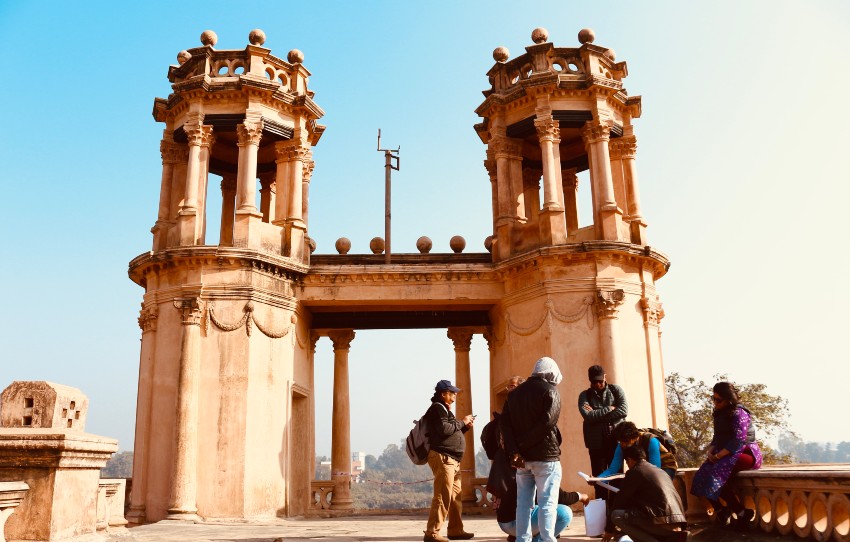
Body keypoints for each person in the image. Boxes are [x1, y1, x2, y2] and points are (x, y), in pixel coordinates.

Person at [500, 357, 563, 542]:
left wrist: (515, 450)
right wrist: (523, 444)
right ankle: (547, 540)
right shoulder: (551, 391)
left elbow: (505, 426)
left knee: (523, 504)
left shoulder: (513, 395)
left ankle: (523, 539)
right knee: (547, 503)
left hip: (522, 459)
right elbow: (547, 423)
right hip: (546, 457)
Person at [691, 381, 762, 528]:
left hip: (746, 453)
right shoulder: (719, 414)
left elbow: (739, 439)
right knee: (700, 477)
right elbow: (717, 438)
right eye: (714, 399)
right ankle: (721, 510)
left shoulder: (739, 412)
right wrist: (711, 451)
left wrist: (718, 456)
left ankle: (741, 512)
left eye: (719, 400)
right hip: (725, 453)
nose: (715, 403)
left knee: (716, 476)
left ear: (728, 399)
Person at [424, 380, 475, 542]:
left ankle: (455, 530)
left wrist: (465, 426)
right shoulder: (437, 409)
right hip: (443, 457)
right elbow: (444, 429)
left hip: (452, 459)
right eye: (452, 393)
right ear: (443, 394)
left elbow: (450, 432)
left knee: (454, 497)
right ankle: (432, 533)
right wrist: (463, 422)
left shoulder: (444, 410)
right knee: (442, 495)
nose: (454, 396)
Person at [604, 445, 689, 542]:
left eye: (627, 463)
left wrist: (609, 530)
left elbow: (619, 502)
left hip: (662, 523)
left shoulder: (635, 471)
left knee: (616, 515)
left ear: (630, 460)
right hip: (678, 523)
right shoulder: (660, 471)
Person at [578, 365, 628, 499]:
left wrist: (597, 414)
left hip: (615, 441)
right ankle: (602, 512)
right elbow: (588, 416)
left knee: (617, 477)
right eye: (594, 382)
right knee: (599, 480)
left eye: (600, 380)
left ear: (605, 377)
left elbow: (623, 411)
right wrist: (610, 408)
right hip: (596, 445)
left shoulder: (615, 390)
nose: (598, 384)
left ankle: (616, 510)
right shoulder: (585, 395)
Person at [496, 485, 588, 542]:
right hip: (515, 522)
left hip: (505, 522)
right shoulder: (543, 468)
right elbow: (561, 498)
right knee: (565, 513)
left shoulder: (524, 469)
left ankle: (518, 536)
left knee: (544, 509)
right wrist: (580, 496)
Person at [596, 422, 678, 481]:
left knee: (657, 485)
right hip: (645, 470)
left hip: (665, 467)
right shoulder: (621, 445)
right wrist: (597, 479)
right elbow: (613, 469)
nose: (623, 445)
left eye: (625, 442)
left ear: (634, 438)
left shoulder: (651, 441)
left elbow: (655, 470)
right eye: (621, 442)